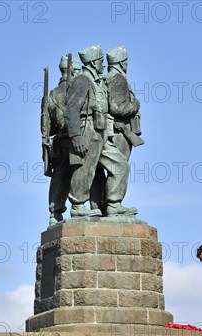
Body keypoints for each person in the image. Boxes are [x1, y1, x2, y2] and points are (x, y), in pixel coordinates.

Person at [92, 46, 144, 217]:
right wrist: (135, 105)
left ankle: (102, 205)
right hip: (120, 133)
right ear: (123, 63)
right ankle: (114, 204)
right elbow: (116, 107)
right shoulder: (118, 79)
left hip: (113, 132)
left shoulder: (108, 78)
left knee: (107, 171)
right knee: (119, 168)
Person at [64, 45, 107, 218]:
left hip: (99, 130)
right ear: (93, 62)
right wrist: (76, 136)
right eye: (101, 61)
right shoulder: (82, 80)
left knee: (97, 170)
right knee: (84, 167)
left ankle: (101, 204)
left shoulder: (97, 81)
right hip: (86, 129)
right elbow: (71, 109)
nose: (103, 65)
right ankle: (78, 205)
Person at [47, 55, 82, 226]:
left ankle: (55, 212)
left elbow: (47, 128)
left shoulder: (51, 95)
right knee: (80, 174)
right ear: (73, 70)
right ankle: (81, 206)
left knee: (60, 178)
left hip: (59, 142)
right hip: (76, 141)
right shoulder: (76, 90)